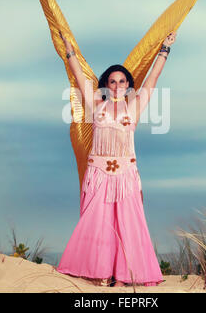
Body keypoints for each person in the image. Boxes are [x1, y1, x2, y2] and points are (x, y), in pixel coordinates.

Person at [56, 31, 177, 287]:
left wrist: (164, 50)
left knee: (128, 226)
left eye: (122, 81)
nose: (117, 86)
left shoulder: (134, 106)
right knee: (96, 224)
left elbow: (153, 79)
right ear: (105, 84)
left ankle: (124, 278)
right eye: (112, 81)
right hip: (98, 173)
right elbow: (78, 77)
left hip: (126, 175)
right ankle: (98, 273)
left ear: (128, 85)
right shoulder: (95, 104)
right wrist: (69, 50)